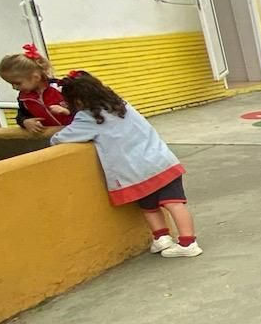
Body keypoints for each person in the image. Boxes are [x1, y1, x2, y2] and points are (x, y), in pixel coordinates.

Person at [50, 70, 202, 257]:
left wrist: (60, 125)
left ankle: (163, 238)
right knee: (174, 203)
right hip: (161, 161)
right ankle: (187, 241)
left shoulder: (87, 118)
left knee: (148, 206)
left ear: (77, 101)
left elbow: (61, 138)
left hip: (135, 171)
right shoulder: (121, 104)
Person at [0, 44, 70, 134]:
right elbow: (21, 115)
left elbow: (86, 108)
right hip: (53, 136)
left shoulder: (60, 87)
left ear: (36, 77)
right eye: (11, 84)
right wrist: (25, 122)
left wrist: (67, 111)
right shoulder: (24, 98)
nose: (14, 87)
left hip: (79, 132)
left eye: (17, 83)